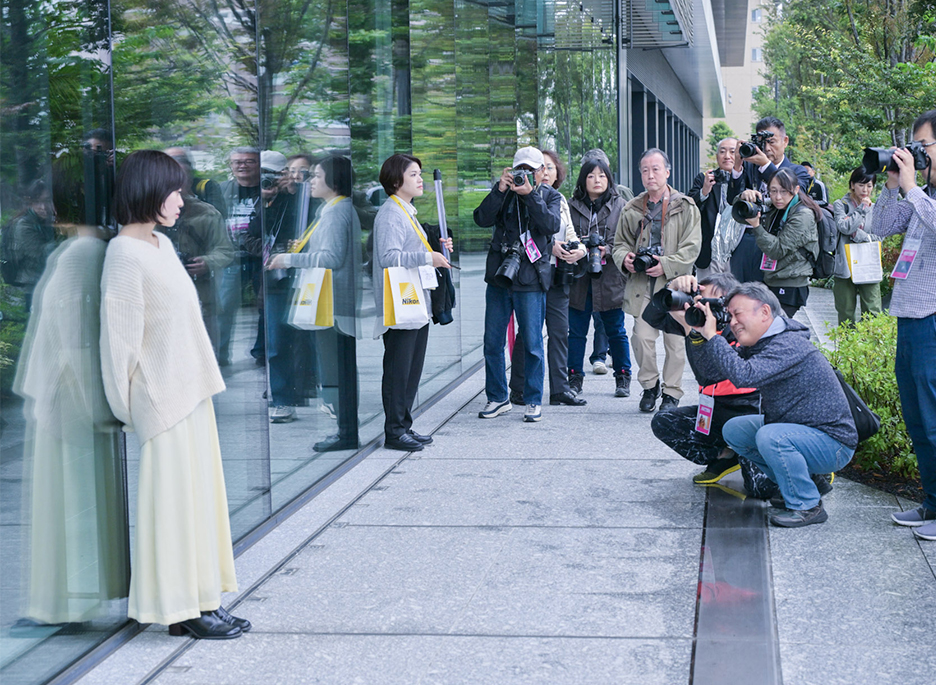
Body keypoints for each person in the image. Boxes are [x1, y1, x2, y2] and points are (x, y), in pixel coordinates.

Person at [100, 150, 246, 638]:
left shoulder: (160, 244)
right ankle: (182, 607)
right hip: (161, 401)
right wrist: (129, 411)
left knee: (199, 502)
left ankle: (203, 598)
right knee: (174, 508)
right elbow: (118, 343)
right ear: (149, 192)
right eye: (175, 191)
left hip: (192, 391)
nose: (182, 200)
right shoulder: (123, 253)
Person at [687, 282, 857, 527]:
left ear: (765, 312)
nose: (732, 322)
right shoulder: (764, 342)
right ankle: (809, 482)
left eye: (737, 314)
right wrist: (698, 334)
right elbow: (710, 373)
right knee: (735, 430)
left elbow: (745, 376)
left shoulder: (787, 344)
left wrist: (714, 337)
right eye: (729, 315)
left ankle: (807, 506)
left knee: (771, 437)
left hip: (834, 443)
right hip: (801, 431)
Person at [644, 273, 776, 498]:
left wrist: (694, 331)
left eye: (709, 301)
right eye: (698, 298)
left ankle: (812, 470)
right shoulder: (696, 321)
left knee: (760, 489)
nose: (701, 306)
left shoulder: (742, 330)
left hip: (750, 415)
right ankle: (726, 456)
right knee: (664, 422)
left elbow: (712, 373)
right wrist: (671, 287)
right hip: (715, 411)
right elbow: (652, 316)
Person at [869, 109, 936, 541]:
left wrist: (912, 189)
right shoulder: (919, 195)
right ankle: (932, 502)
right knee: (916, 418)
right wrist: (892, 186)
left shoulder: (924, 197)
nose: (916, 153)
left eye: (923, 146)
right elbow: (878, 227)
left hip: (932, 319)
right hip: (910, 318)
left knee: (933, 418)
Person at [267, 155, 363, 452]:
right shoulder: (333, 208)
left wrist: (289, 258)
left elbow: (331, 259)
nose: (310, 182)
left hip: (332, 300)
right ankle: (344, 429)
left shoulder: (336, 212)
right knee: (336, 366)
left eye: (316, 176)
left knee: (334, 368)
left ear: (333, 182)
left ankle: (345, 431)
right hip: (333, 299)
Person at [474, 146, 561, 423]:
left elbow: (550, 225)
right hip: (501, 276)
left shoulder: (550, 195)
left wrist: (531, 197)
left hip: (531, 279)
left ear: (540, 173)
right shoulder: (503, 193)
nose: (524, 175)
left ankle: (533, 399)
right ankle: (498, 397)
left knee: (533, 343)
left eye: (530, 170)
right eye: (519, 169)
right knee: (492, 341)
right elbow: (481, 219)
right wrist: (500, 190)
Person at [372, 153, 452, 451]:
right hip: (401, 302)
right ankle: (394, 431)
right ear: (396, 181)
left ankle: (404, 425)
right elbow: (387, 257)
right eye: (414, 175)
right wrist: (426, 256)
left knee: (411, 368)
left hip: (414, 299)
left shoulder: (406, 211)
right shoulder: (391, 213)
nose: (420, 180)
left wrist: (435, 249)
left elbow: (410, 249)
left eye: (419, 174)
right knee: (398, 368)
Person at [612, 148, 701, 413]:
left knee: (675, 343)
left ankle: (672, 393)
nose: (650, 175)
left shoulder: (685, 206)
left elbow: (692, 247)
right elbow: (619, 244)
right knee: (641, 338)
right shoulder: (631, 208)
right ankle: (650, 386)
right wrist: (625, 259)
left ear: (667, 172)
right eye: (645, 170)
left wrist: (665, 264)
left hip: (675, 287)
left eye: (656, 169)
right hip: (643, 287)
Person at [508, 150, 587, 407]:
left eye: (549, 168)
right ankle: (518, 387)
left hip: (558, 273)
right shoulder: (521, 197)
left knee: (559, 331)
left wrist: (580, 250)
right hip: (533, 273)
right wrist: (551, 244)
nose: (544, 172)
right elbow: (527, 231)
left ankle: (560, 389)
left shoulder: (558, 199)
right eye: (541, 168)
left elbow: (570, 230)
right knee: (528, 333)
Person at [567, 156, 631, 398]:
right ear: (583, 180)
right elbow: (565, 234)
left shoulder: (621, 205)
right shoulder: (571, 206)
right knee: (576, 331)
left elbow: (628, 239)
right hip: (579, 277)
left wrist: (608, 248)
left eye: (602, 175)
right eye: (591, 176)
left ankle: (623, 377)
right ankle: (574, 378)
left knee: (616, 329)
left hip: (611, 277)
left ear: (609, 179)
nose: (597, 180)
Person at [727, 117, 811, 283]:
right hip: (746, 242)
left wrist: (766, 166)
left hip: (779, 244)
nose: (766, 148)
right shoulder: (750, 167)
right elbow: (731, 200)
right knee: (740, 293)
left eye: (772, 142)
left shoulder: (798, 171)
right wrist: (737, 167)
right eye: (762, 142)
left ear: (785, 141)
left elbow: (795, 198)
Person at [736, 167, 820, 317]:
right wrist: (743, 198)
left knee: (774, 329)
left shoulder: (803, 215)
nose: (778, 197)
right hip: (773, 279)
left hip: (790, 283)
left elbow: (777, 250)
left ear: (796, 189)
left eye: (783, 191)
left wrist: (756, 226)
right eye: (773, 191)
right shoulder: (776, 206)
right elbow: (739, 214)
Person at [217, 147, 261, 366]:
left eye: (249, 161)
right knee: (224, 305)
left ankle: (262, 353)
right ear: (230, 166)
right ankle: (220, 355)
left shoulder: (267, 190)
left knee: (265, 307)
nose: (242, 165)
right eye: (237, 162)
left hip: (262, 258)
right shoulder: (222, 189)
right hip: (231, 257)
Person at [832, 167, 882, 324]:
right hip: (845, 264)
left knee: (872, 311)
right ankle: (847, 347)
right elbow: (844, 227)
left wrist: (860, 236)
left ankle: (870, 347)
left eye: (869, 186)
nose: (865, 190)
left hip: (868, 262)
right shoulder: (841, 204)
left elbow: (880, 236)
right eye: (861, 185)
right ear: (852, 184)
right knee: (846, 312)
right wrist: (861, 209)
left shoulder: (877, 208)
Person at [0, 179, 57, 310]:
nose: (43, 207)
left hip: (39, 283)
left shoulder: (41, 221)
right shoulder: (24, 225)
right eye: (38, 202)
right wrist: (68, 238)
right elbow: (43, 254)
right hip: (30, 289)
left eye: (47, 201)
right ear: (30, 203)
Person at [689, 137, 738, 277]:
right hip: (709, 254)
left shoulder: (746, 179)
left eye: (732, 152)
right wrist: (704, 190)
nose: (727, 156)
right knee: (707, 295)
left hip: (736, 253)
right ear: (717, 157)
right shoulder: (704, 178)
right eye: (722, 152)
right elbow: (690, 208)